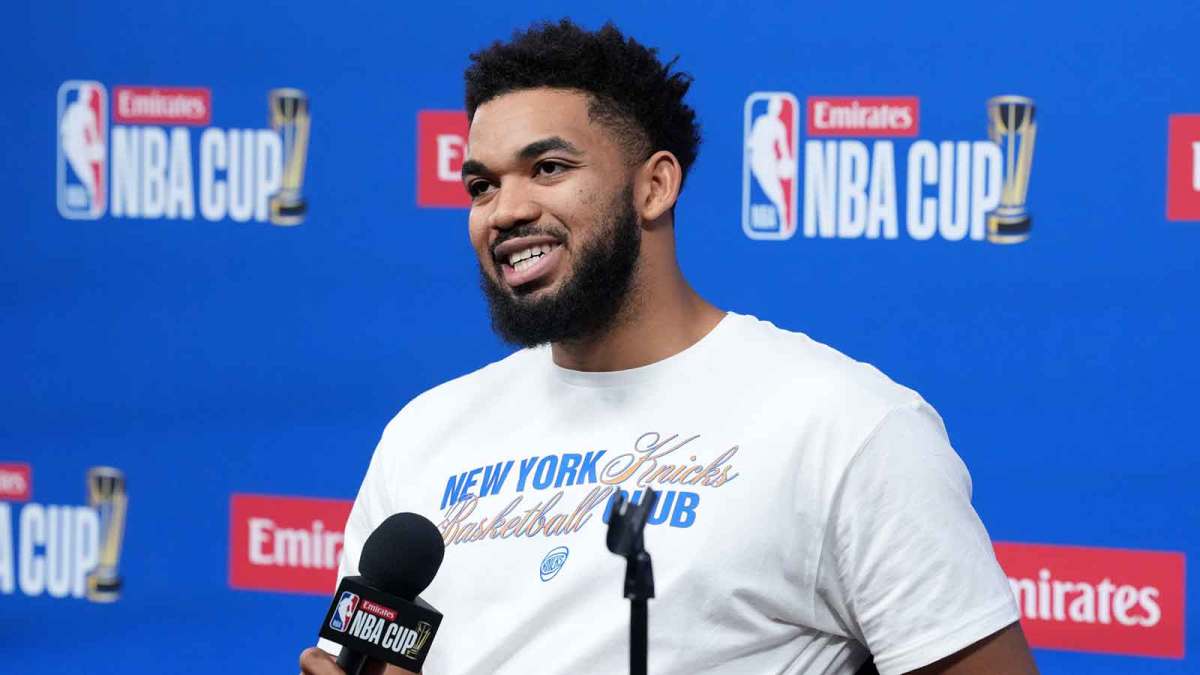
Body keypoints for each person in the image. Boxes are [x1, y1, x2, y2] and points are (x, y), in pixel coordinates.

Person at [301, 19, 1038, 675]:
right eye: (481, 185)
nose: (506, 210)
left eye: (548, 169)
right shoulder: (423, 435)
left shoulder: (846, 427)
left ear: (654, 186)